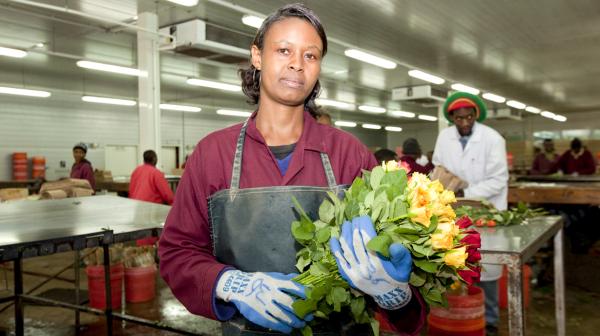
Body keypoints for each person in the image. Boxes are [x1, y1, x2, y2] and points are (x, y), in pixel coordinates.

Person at [159, 4, 425, 335]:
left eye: (310, 56)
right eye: (283, 50)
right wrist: (231, 284)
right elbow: (177, 251)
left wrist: (394, 294)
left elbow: (401, 266)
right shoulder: (213, 154)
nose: (297, 64)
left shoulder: (349, 154)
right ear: (256, 56)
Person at [432, 91, 508, 336]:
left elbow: (498, 179)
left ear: (476, 115)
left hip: (488, 210)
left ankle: (492, 319)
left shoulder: (492, 138)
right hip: (455, 210)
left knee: (487, 264)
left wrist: (466, 189)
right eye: (459, 118)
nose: (464, 122)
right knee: (454, 261)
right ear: (451, 118)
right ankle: (455, 313)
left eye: (468, 117)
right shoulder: (445, 137)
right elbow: (439, 166)